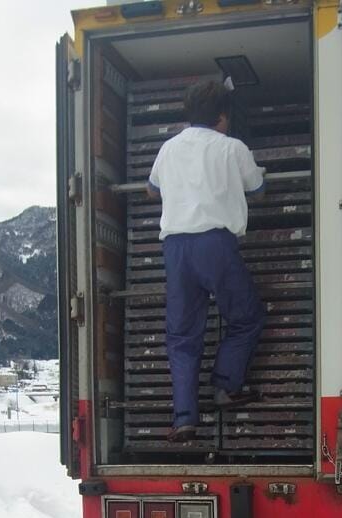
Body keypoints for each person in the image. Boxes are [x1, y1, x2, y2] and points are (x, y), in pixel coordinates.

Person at [148, 81, 266, 443]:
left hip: (176, 249)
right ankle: (226, 384)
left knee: (182, 335)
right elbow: (257, 189)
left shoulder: (168, 149)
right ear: (222, 116)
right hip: (215, 243)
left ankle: (184, 416)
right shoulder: (233, 148)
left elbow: (151, 189)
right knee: (246, 317)